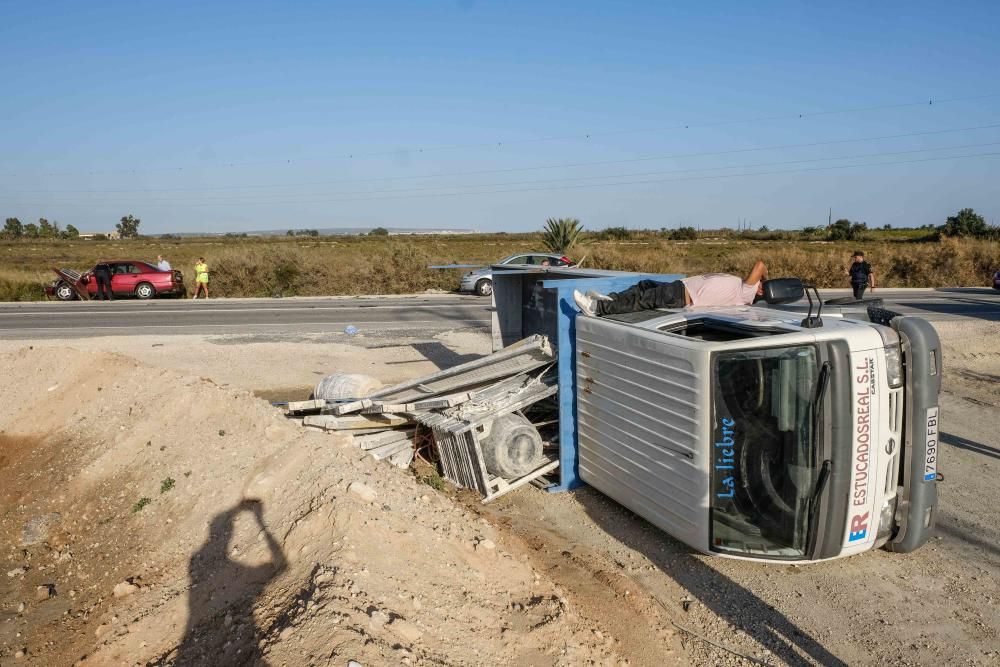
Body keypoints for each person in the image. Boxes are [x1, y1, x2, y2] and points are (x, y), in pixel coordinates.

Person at [573, 260, 769, 317]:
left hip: (680, 295)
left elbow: (760, 265)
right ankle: (609, 300)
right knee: (644, 285)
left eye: (759, 284)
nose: (756, 281)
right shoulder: (742, 287)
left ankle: (596, 308)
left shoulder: (747, 292)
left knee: (640, 301)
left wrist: (766, 280)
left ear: (759, 291)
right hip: (679, 288)